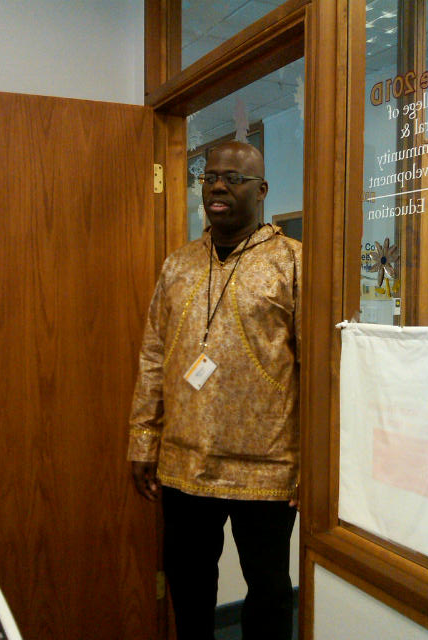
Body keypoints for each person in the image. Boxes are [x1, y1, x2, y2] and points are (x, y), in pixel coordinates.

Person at [128, 141, 301, 640]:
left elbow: (318, 369)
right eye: (209, 178)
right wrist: (143, 438)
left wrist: (315, 465)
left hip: (267, 466)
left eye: (233, 178)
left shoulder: (293, 262)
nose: (218, 187)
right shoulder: (178, 264)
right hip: (184, 462)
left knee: (269, 592)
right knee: (188, 585)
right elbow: (153, 355)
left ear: (262, 190)